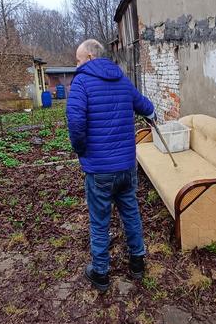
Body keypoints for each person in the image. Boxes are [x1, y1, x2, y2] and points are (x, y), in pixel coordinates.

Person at [66, 38, 155, 292]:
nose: (77, 64)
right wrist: (153, 116)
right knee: (130, 212)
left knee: (99, 220)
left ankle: (101, 273)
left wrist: (81, 150)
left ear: (91, 58)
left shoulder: (81, 82)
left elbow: (75, 123)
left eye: (79, 59)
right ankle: (137, 262)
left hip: (100, 170)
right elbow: (147, 108)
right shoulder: (122, 80)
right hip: (126, 167)